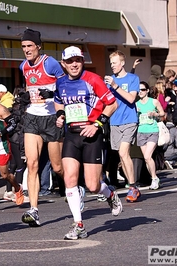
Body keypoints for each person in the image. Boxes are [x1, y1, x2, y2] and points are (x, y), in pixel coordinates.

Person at [54, 46, 122, 240]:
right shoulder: (61, 83)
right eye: (70, 61)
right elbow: (58, 101)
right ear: (64, 64)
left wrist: (98, 124)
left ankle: (109, 194)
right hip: (72, 135)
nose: (74, 64)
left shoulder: (93, 80)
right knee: (70, 179)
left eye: (78, 60)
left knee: (93, 186)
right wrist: (60, 115)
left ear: (83, 61)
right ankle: (79, 224)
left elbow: (112, 104)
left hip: (92, 134)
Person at [19, 29, 65, 226]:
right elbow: (30, 88)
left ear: (38, 46)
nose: (27, 50)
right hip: (32, 117)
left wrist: (51, 93)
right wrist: (25, 97)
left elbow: (65, 86)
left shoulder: (50, 63)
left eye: (30, 46)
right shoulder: (23, 66)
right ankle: (34, 209)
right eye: (23, 47)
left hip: (51, 118)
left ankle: (75, 185)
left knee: (57, 167)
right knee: (32, 164)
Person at [104, 50, 140, 202]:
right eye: (111, 63)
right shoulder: (109, 80)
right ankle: (132, 186)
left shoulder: (133, 78)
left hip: (130, 120)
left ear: (122, 63)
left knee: (124, 152)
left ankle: (132, 186)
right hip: (115, 121)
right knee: (121, 155)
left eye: (115, 63)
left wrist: (115, 86)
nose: (112, 66)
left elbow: (131, 99)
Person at [136, 81, 165, 190]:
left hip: (152, 130)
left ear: (147, 91)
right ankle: (154, 177)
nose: (140, 92)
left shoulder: (154, 102)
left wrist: (155, 114)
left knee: (148, 156)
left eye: (143, 90)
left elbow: (162, 113)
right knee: (146, 158)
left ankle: (154, 178)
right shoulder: (136, 104)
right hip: (141, 131)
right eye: (139, 90)